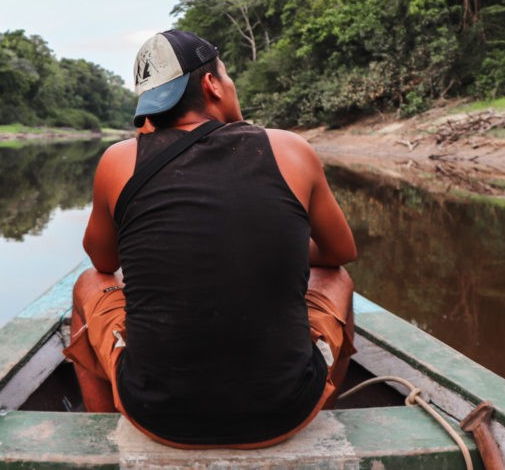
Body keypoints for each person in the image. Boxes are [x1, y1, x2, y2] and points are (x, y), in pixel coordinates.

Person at [64, 29, 357, 449]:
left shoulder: (118, 160)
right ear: (211, 84)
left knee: (87, 284)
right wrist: (280, 248)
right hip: (284, 413)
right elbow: (341, 253)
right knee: (339, 279)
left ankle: (106, 437)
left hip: (157, 416)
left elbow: (103, 262)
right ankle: (321, 420)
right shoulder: (290, 149)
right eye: (227, 73)